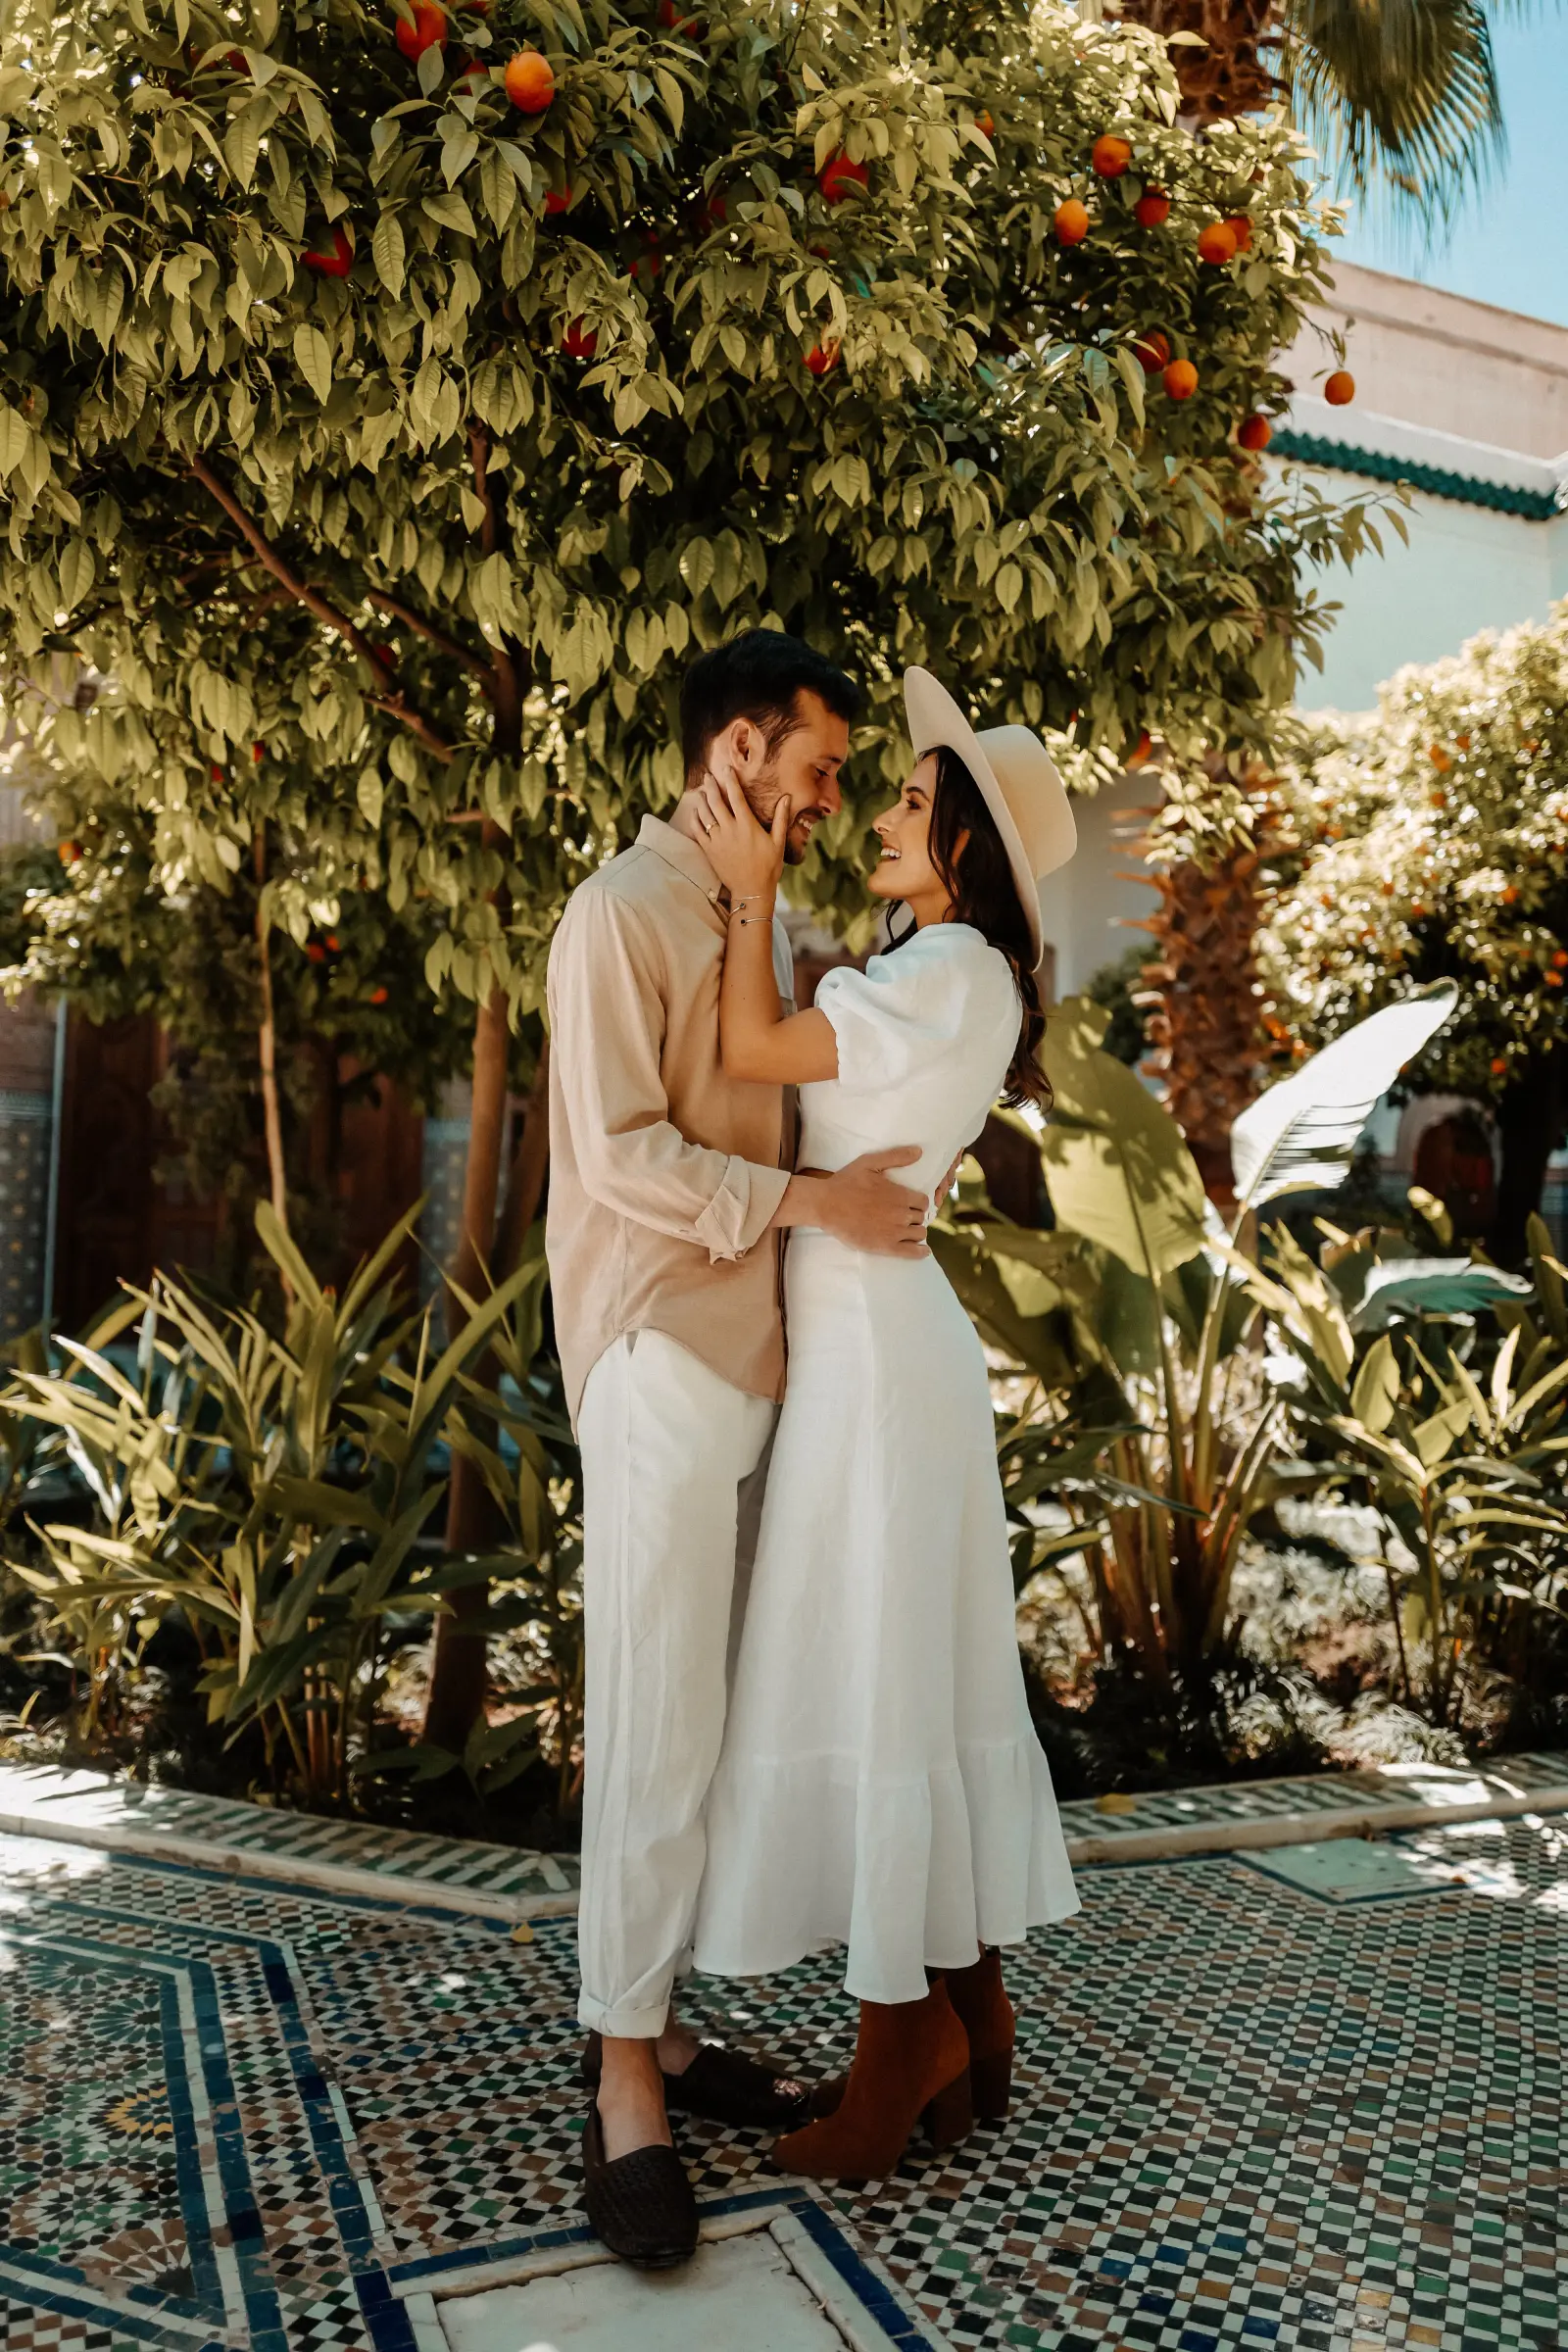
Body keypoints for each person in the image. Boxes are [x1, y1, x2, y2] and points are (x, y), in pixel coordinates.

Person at [546, 630, 941, 2270]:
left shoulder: (752, 920)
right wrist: (813, 1203)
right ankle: (625, 2077)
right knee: (653, 1722)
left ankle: (665, 2026)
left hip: (761, 1371)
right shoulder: (614, 916)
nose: (837, 796)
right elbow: (623, 1155)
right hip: (654, 1353)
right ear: (735, 752)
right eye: (821, 766)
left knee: (706, 1727)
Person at [688, 665, 1083, 2180]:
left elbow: (754, 1052)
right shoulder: (942, 969)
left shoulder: (951, 972)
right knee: (903, 1678)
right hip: (873, 1349)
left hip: (876, 1360)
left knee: (873, 1682)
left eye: (915, 803)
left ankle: (894, 2048)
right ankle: (966, 2026)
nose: (886, 817)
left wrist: (744, 895)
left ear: (967, 843)